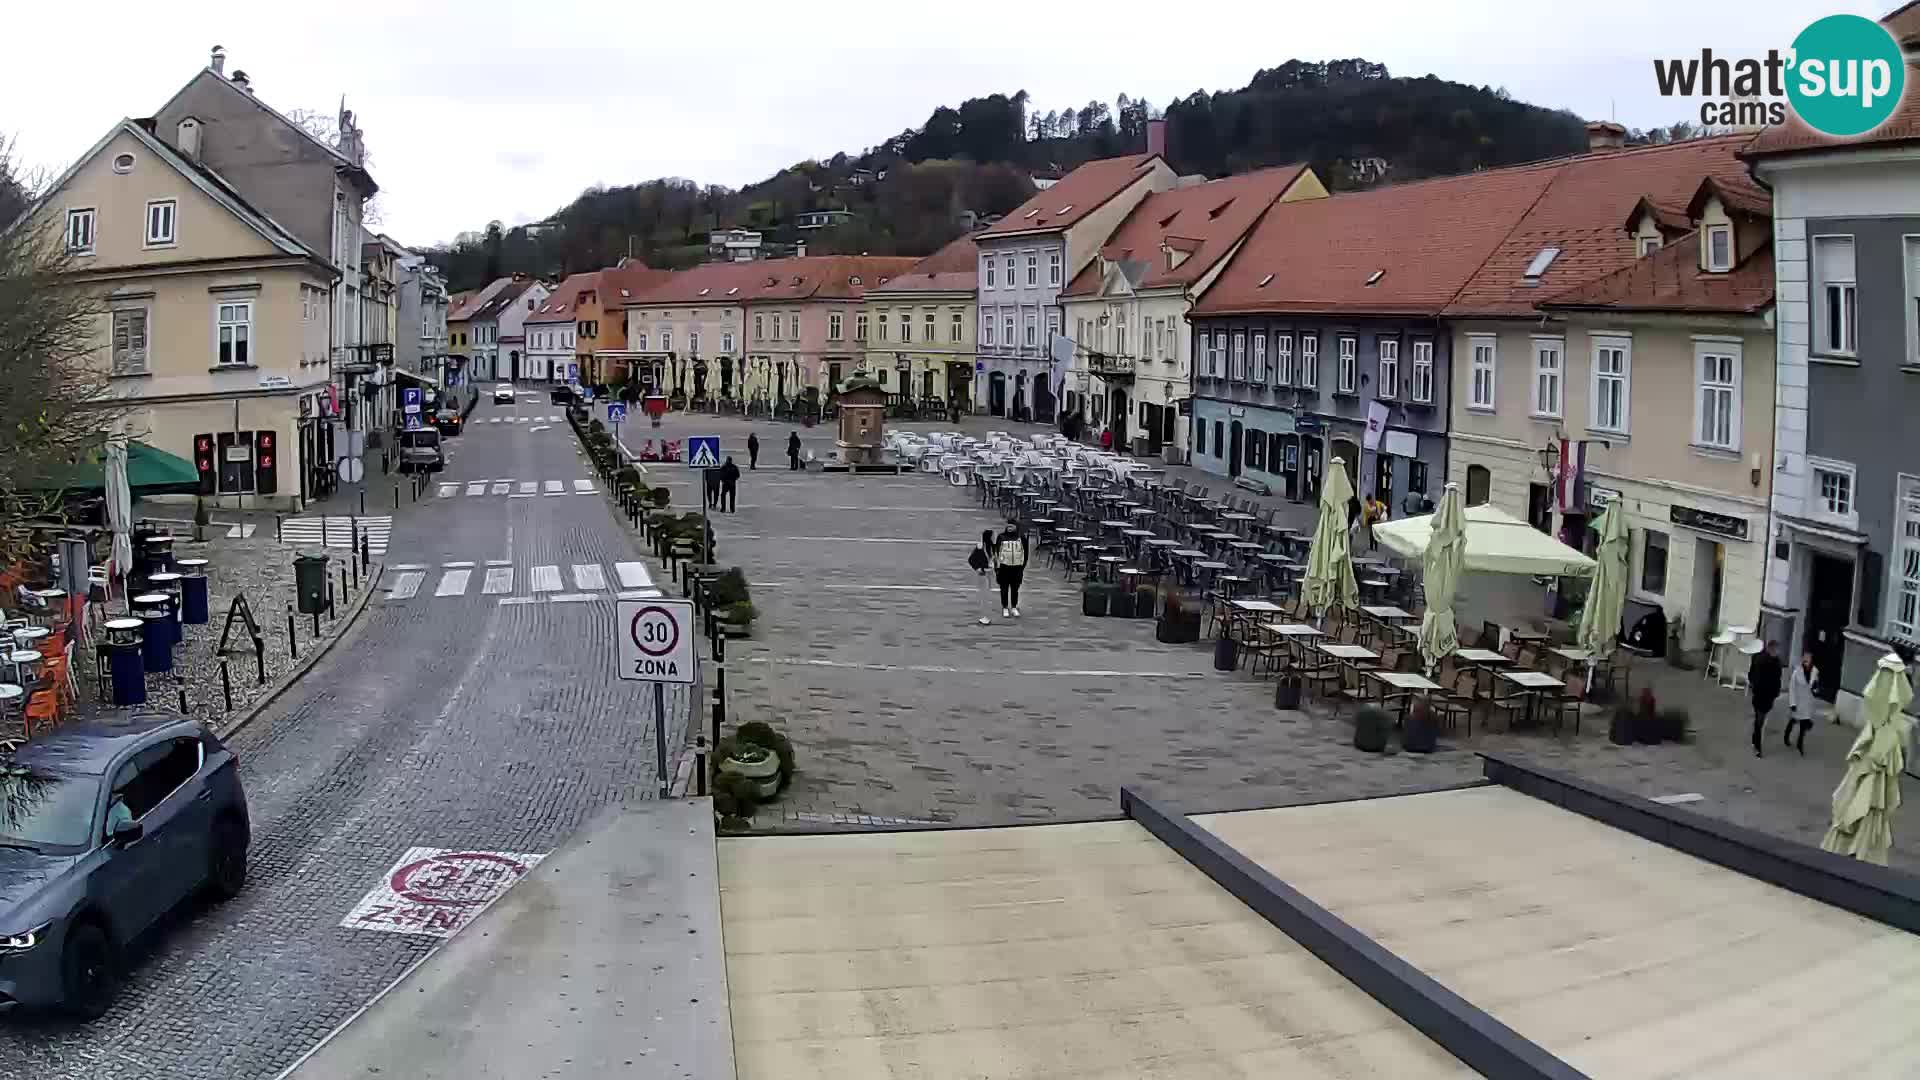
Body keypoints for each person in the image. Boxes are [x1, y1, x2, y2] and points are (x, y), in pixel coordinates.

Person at [1748, 639, 1785, 757]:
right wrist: (1754, 685)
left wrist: (1775, 693)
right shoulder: (1762, 660)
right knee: (1760, 721)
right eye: (1775, 650)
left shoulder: (1775, 662)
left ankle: (1755, 740)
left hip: (1765, 695)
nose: (1776, 652)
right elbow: (1754, 674)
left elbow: (1777, 679)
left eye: (1777, 650)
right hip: (1761, 694)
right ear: (1769, 649)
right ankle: (1757, 747)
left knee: (1759, 720)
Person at [992, 518, 1029, 618]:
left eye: (1011, 526)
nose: (1009, 528)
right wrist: (997, 568)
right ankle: (1004, 607)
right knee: (1004, 588)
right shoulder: (1001, 537)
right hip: (1004, 568)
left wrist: (1022, 566)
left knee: (1015, 589)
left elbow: (1026, 553)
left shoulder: (1021, 538)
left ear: (1016, 527)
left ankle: (1014, 607)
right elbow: (996, 553)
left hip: (1017, 568)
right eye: (1008, 526)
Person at [1786, 651, 1821, 754]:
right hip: (1797, 701)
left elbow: (1815, 689)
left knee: (1803, 725)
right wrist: (1792, 703)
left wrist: (1815, 688)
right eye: (1805, 658)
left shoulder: (1815, 671)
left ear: (1811, 660)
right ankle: (1786, 736)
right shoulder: (1797, 672)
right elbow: (1792, 688)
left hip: (1807, 703)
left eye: (1808, 658)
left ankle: (1800, 744)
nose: (1806, 660)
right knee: (1792, 721)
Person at [967, 529, 994, 625]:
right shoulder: (980, 547)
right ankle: (985, 616)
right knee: (984, 595)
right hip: (983, 573)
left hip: (990, 573)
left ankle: (986, 615)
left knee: (987, 595)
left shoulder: (991, 546)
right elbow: (971, 559)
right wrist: (977, 568)